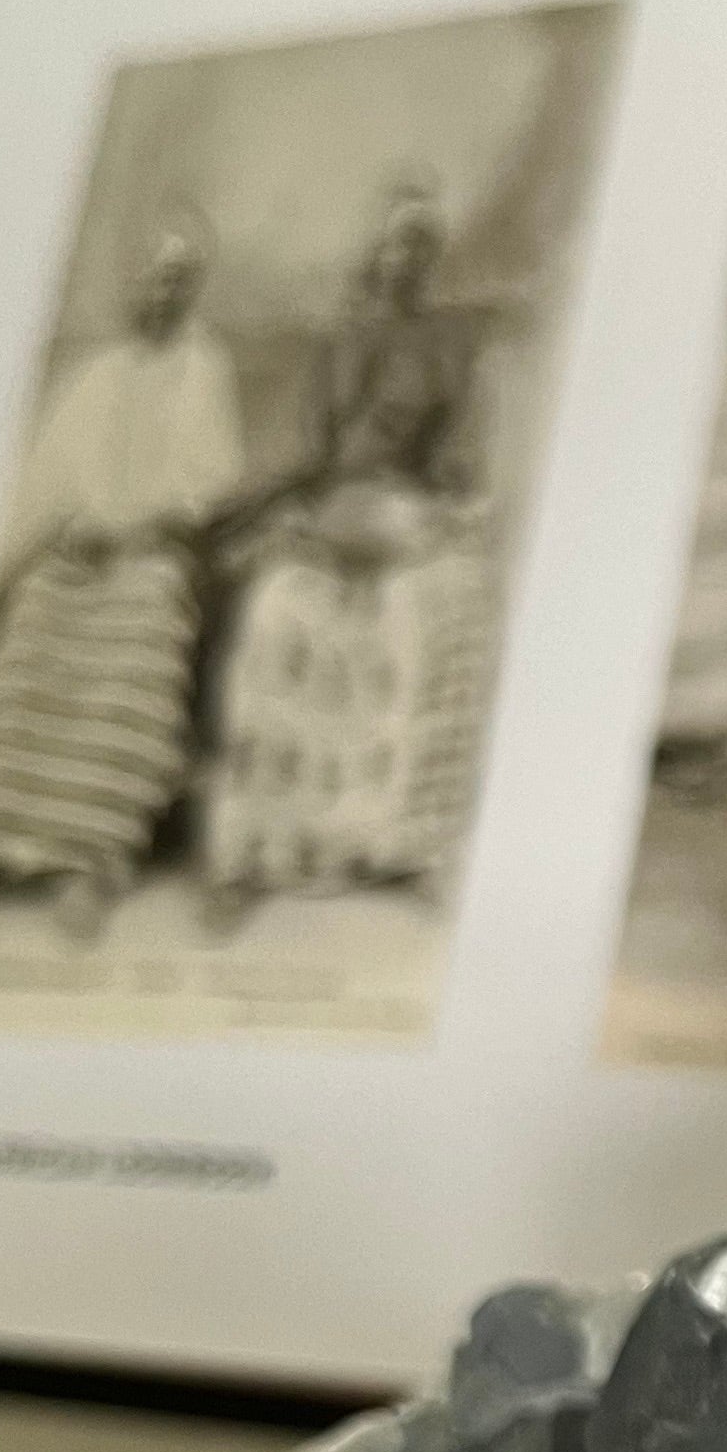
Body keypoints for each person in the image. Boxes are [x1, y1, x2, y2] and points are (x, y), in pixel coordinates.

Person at [0, 223, 245, 948]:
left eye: (178, 279)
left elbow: (209, 487)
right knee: (37, 616)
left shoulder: (203, 366)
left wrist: (135, 531)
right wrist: (64, 533)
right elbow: (47, 483)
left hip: (153, 553)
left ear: (191, 290)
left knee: (144, 626)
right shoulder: (98, 374)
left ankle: (87, 862)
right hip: (79, 550)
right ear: (134, 286)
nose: (163, 290)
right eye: (153, 277)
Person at [200, 185, 493, 924]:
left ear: (431, 260)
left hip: (406, 510)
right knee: (278, 610)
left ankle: (401, 843)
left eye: (421, 246)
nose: (406, 259)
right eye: (396, 243)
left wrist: (434, 508)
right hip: (335, 507)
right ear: (377, 254)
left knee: (445, 599)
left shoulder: (446, 350)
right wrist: (295, 520)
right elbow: (315, 457)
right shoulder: (339, 342)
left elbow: (453, 462)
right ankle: (260, 851)